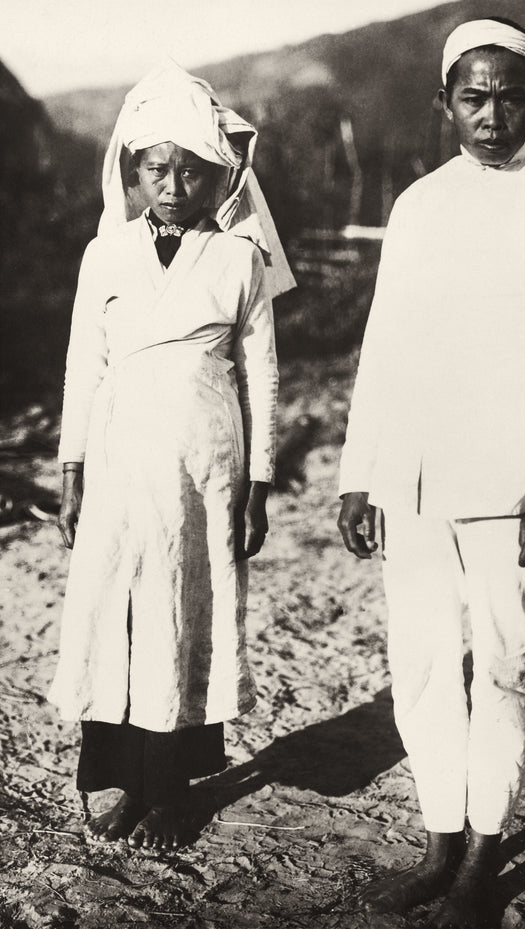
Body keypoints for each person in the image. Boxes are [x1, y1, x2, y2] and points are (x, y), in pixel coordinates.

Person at [338, 17, 525, 928]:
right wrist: (358, 472)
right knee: (419, 665)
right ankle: (438, 842)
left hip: (509, 492)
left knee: (503, 666)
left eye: (509, 95)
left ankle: (483, 860)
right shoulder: (417, 205)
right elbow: (383, 348)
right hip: (413, 480)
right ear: (444, 104)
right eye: (472, 96)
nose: (491, 115)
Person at [51, 62, 294, 852]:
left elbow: (260, 369)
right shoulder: (106, 256)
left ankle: (173, 794)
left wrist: (258, 484)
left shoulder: (237, 259)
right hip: (122, 466)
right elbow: (85, 364)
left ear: (217, 172)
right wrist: (71, 468)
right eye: (157, 168)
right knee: (122, 614)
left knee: (186, 613)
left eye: (191, 169)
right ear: (133, 170)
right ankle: (127, 784)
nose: (173, 184)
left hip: (204, 467)